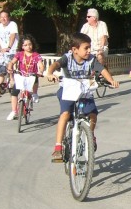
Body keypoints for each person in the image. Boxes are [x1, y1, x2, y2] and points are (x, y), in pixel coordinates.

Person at [45, 33, 119, 162]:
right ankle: (58, 147)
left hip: (84, 91)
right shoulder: (67, 58)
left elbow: (102, 70)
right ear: (75, 50)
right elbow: (55, 65)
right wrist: (50, 73)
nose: (89, 50)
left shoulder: (91, 59)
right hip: (68, 91)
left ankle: (90, 135)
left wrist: (111, 81)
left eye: (89, 47)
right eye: (86, 48)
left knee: (93, 114)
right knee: (65, 114)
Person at [6, 35, 45, 120]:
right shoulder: (19, 54)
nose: (28, 47)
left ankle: (34, 93)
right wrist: (10, 67)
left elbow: (41, 65)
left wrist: (40, 71)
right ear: (22, 46)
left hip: (31, 76)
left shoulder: (36, 55)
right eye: (26, 45)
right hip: (21, 76)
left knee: (35, 78)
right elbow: (12, 62)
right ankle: (14, 111)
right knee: (14, 92)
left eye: (30, 44)